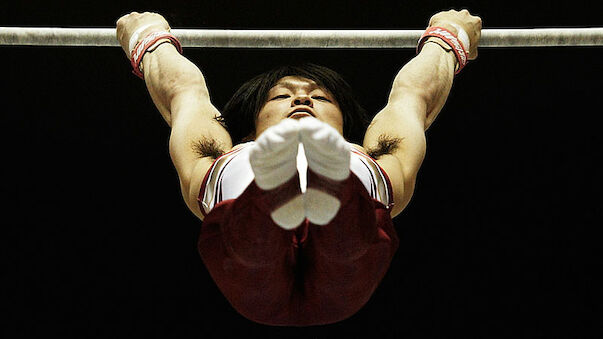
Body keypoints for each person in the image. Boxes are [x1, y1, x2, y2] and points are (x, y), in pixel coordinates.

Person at [116, 9, 482, 326]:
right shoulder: (217, 149)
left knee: (313, 248)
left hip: (266, 272)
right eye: (281, 95)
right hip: (325, 276)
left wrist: (447, 37)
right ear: (251, 120)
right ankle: (306, 190)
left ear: (345, 120)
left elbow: (415, 97)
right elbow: (182, 91)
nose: (303, 97)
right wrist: (449, 38)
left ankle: (294, 191)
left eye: (321, 96)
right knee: (313, 248)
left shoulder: (375, 150)